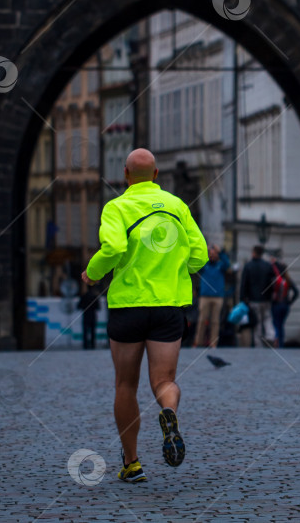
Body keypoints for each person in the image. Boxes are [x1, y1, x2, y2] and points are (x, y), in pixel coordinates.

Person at [81, 148, 208, 483]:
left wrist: (93, 273)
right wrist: (177, 267)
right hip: (168, 305)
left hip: (129, 305)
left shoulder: (117, 207)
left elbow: (113, 249)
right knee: (164, 381)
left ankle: (132, 463)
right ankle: (168, 413)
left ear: (125, 175)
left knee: (125, 384)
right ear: (156, 175)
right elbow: (200, 256)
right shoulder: (177, 206)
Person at [193, 244, 230, 347]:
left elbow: (227, 264)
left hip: (218, 297)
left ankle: (214, 343)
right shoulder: (205, 265)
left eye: (214, 254)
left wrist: (221, 252)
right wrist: (205, 251)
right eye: (210, 254)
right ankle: (198, 342)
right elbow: (197, 264)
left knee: (215, 321)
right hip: (205, 296)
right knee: (202, 320)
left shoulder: (221, 265)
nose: (212, 256)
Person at [240, 245, 277, 347]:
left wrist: (243, 298)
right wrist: (271, 295)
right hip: (266, 298)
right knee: (268, 318)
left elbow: (244, 284)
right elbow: (272, 282)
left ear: (254, 252)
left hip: (253, 299)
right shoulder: (267, 266)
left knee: (258, 323)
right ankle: (270, 336)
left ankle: (258, 344)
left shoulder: (248, 266)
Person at [270, 254, 298, 348]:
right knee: (281, 325)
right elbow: (296, 292)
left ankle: (276, 342)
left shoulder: (275, 280)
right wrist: (290, 301)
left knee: (276, 324)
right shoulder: (288, 280)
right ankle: (281, 343)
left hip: (276, 304)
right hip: (285, 305)